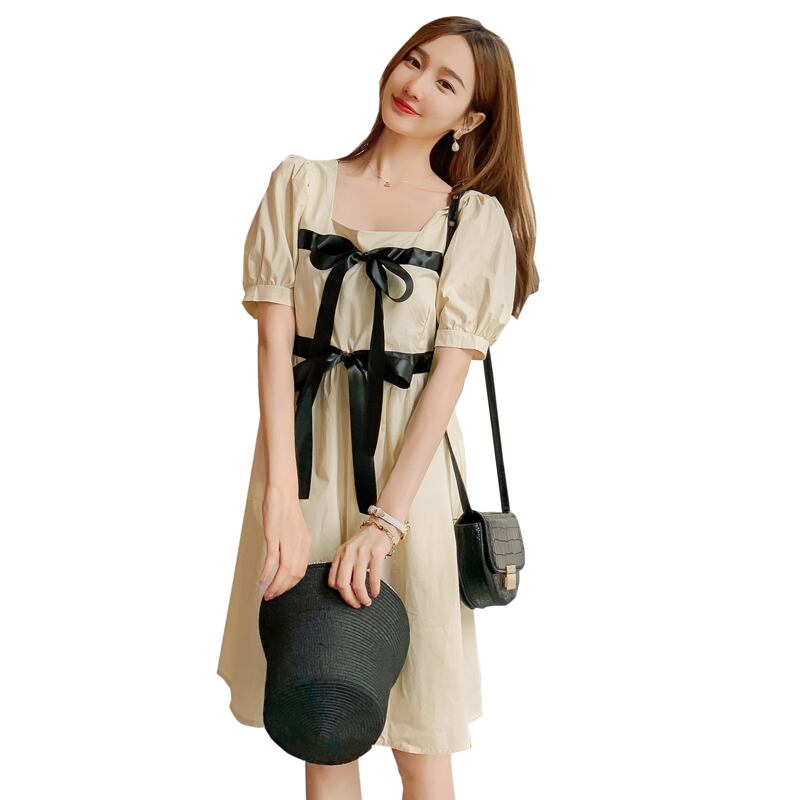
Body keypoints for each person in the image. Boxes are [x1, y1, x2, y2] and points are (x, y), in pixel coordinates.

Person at [217, 16, 539, 800]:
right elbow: (273, 349)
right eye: (413, 61)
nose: (414, 85)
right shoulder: (300, 183)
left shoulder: (472, 220)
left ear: (470, 119)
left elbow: (447, 383)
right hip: (305, 468)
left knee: (420, 740)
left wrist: (387, 522)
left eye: (444, 82)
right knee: (323, 723)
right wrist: (280, 503)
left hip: (411, 484)